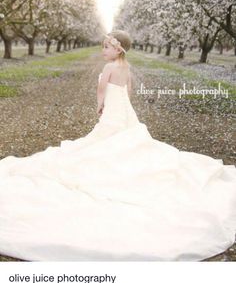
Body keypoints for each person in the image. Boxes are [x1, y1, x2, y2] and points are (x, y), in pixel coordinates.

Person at [0, 29, 235, 262]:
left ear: (118, 49)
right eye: (103, 46)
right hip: (124, 110)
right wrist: (123, 106)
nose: (103, 50)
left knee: (104, 140)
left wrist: (100, 106)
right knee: (125, 139)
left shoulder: (109, 68)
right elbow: (128, 90)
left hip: (113, 110)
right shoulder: (126, 67)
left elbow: (101, 89)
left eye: (106, 46)